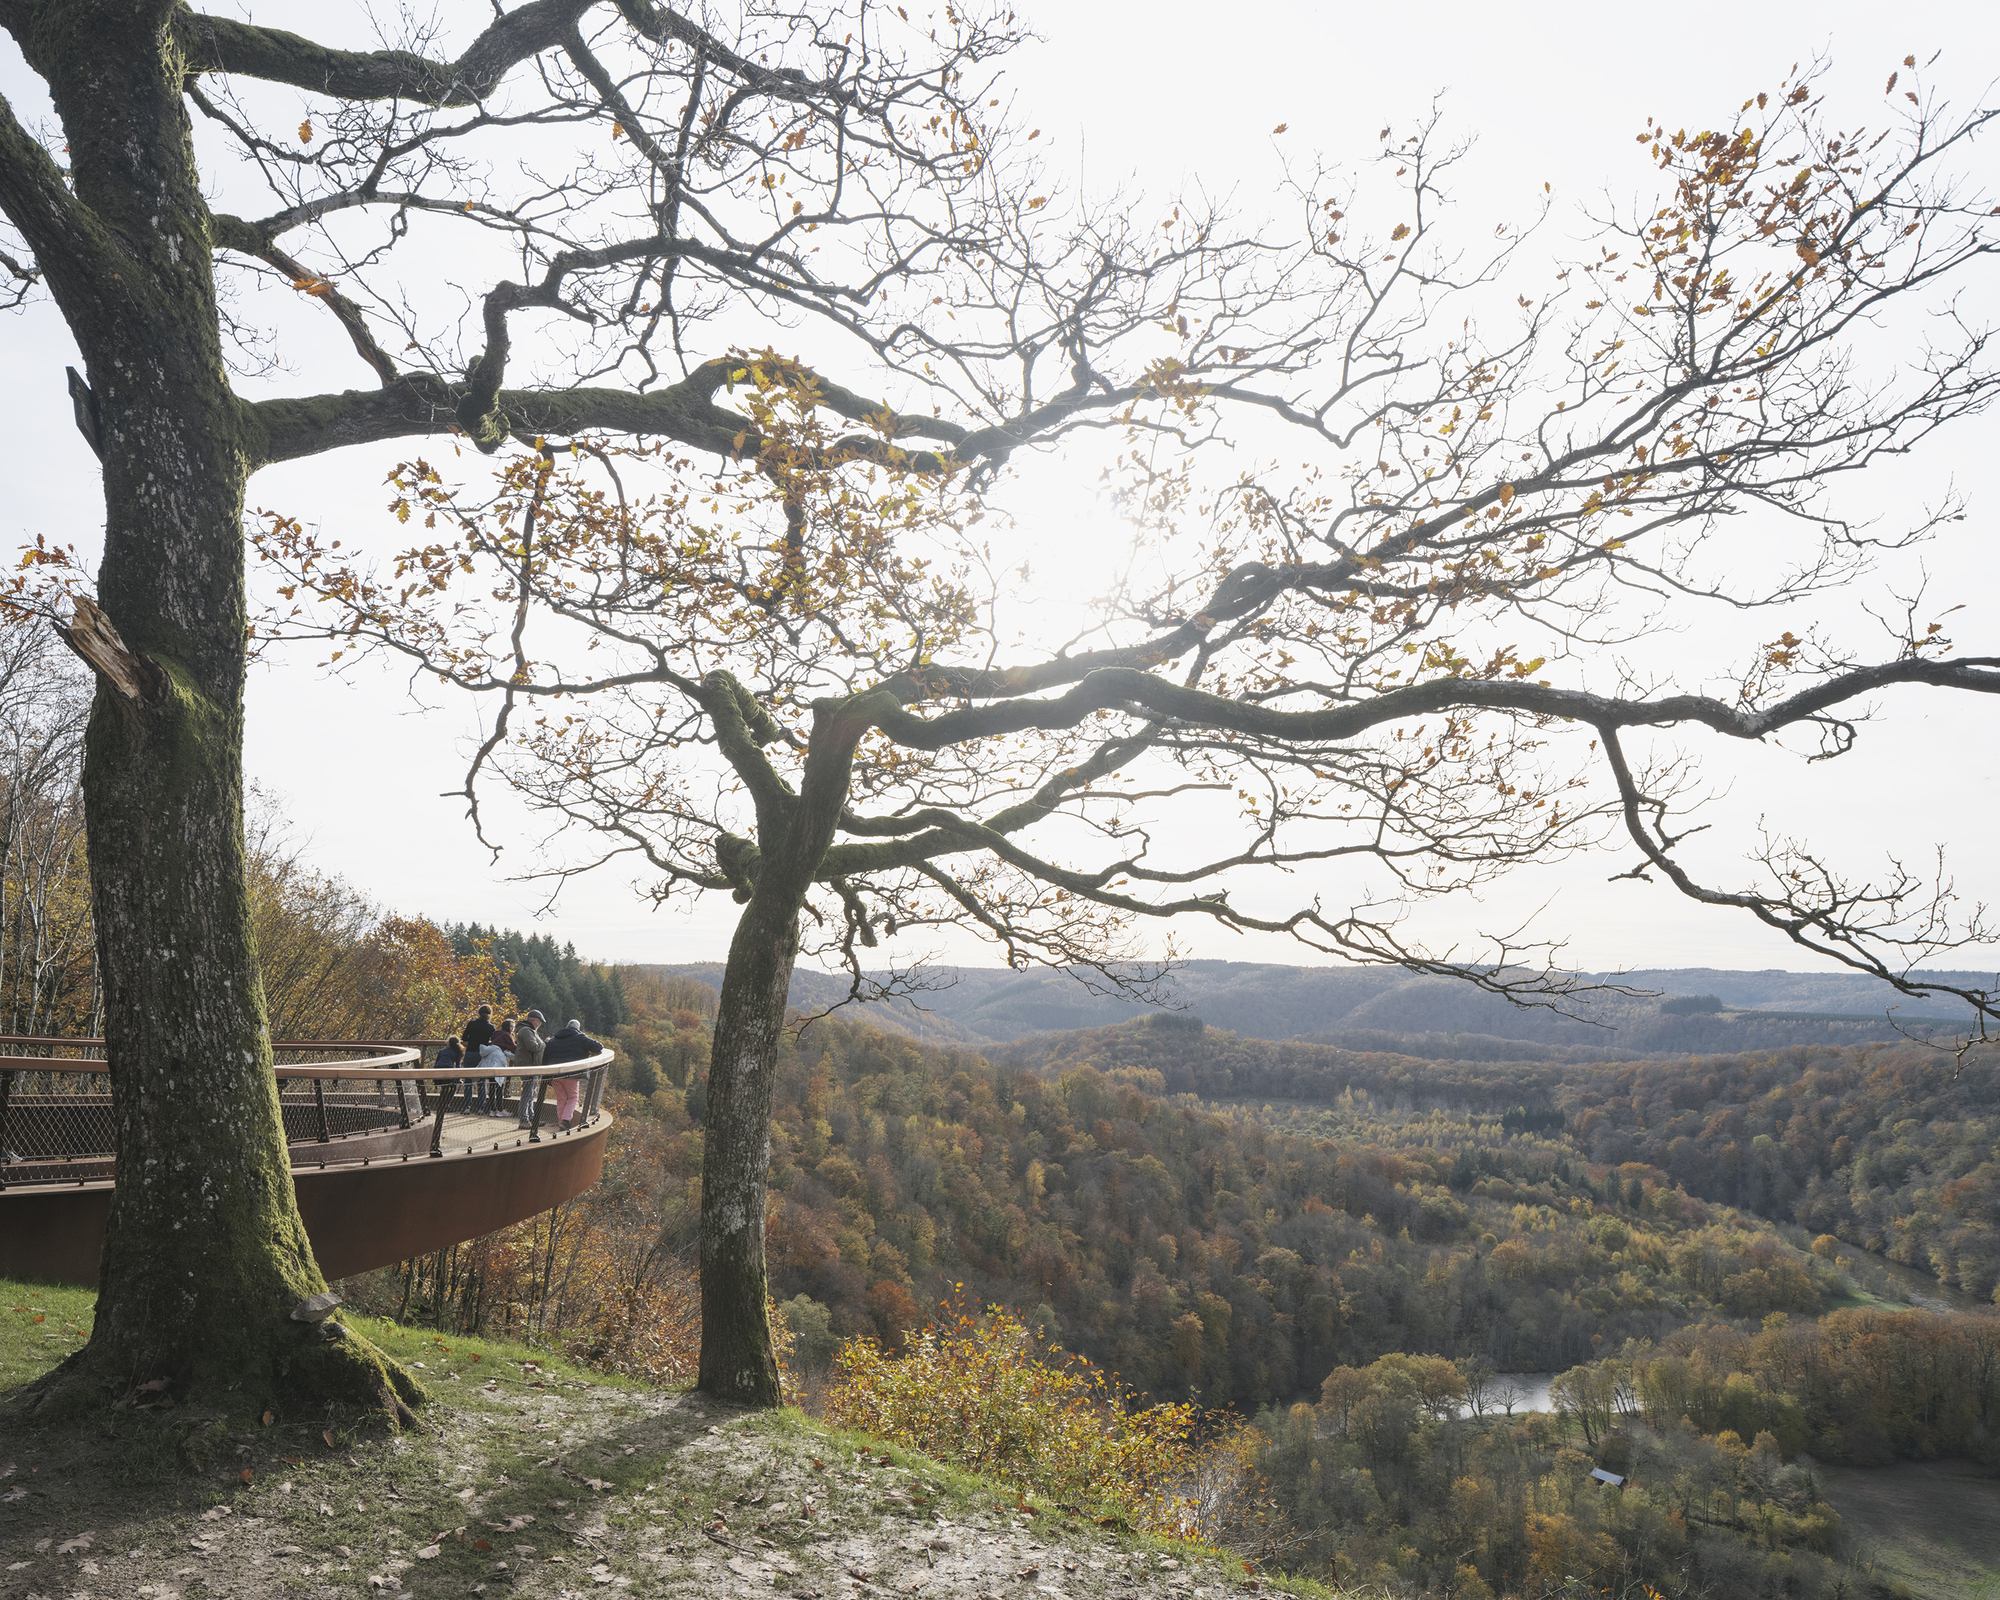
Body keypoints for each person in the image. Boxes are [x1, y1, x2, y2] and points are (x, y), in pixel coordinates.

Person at [540, 1017, 602, 1131]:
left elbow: (545, 1058)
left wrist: (546, 1075)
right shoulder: (580, 1038)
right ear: (578, 1029)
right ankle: (566, 1120)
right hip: (571, 1074)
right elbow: (598, 1046)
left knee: (561, 1099)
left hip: (554, 1075)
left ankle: (561, 1123)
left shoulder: (553, 1040)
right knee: (573, 1097)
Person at [459, 1004, 497, 1113]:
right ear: (490, 1015)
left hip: (470, 1052)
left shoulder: (472, 1024)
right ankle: (481, 1107)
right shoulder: (491, 1027)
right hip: (482, 1055)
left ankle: (466, 1107)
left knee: (468, 1082)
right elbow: (493, 1041)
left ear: (478, 1013)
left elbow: (464, 1038)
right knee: (482, 1082)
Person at [514, 1010, 547, 1130]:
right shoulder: (526, 1031)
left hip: (532, 1067)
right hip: (528, 1067)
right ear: (533, 1020)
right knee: (527, 1094)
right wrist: (544, 1044)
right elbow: (533, 1046)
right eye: (539, 1022)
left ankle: (532, 1118)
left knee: (531, 1093)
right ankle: (524, 1120)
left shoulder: (529, 1030)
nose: (539, 1024)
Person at [434, 1035, 464, 1110]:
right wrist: (458, 1078)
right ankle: (446, 1104)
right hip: (448, 1070)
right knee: (453, 1086)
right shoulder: (457, 1052)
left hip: (438, 1071)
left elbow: (436, 1063)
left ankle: (441, 1104)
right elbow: (458, 1066)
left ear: (448, 1043)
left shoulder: (442, 1050)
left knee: (444, 1087)